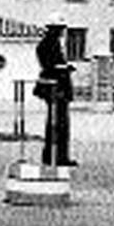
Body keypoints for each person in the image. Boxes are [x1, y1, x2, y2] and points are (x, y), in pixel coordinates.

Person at [34, 23, 76, 166]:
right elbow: (50, 65)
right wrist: (64, 68)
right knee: (58, 124)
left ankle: (54, 155)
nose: (62, 31)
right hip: (55, 88)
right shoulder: (48, 44)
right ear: (54, 29)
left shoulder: (52, 43)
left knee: (57, 124)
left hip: (56, 87)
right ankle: (56, 157)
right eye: (60, 29)